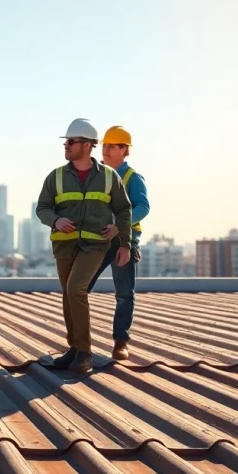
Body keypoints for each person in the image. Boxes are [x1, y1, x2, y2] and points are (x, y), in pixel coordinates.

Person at [36, 118, 133, 373]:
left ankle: (85, 353)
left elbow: (124, 209)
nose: (66, 145)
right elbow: (42, 208)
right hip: (64, 246)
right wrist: (56, 220)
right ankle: (75, 348)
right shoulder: (55, 177)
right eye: (66, 141)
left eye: (71, 141)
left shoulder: (109, 177)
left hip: (95, 244)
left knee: (76, 288)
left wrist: (125, 243)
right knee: (68, 295)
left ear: (88, 145)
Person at [87, 125, 150, 361]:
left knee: (124, 294)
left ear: (124, 150)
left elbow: (143, 207)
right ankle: (80, 341)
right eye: (104, 146)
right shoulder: (98, 176)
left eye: (112, 146)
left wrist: (119, 225)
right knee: (80, 288)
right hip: (98, 241)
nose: (106, 150)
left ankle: (120, 342)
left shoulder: (133, 178)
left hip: (123, 241)